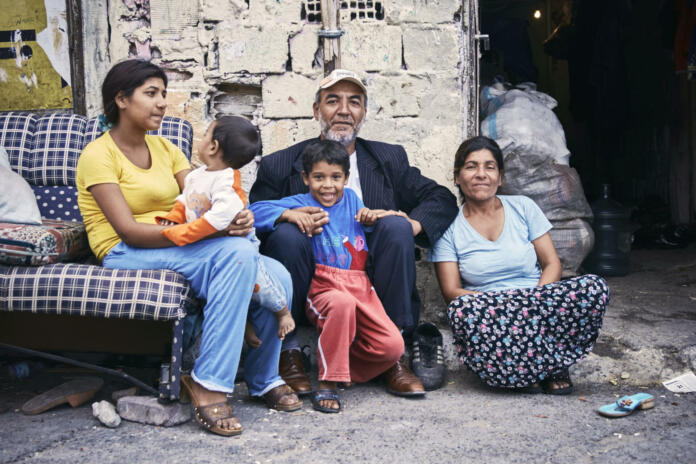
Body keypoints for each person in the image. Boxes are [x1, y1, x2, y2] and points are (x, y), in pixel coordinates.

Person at [75, 59, 301, 437]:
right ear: (121, 99)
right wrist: (209, 233)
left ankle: (263, 378)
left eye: (163, 93)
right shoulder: (98, 156)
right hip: (125, 251)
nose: (162, 102)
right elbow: (128, 231)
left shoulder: (165, 149)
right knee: (239, 255)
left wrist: (238, 217)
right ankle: (208, 381)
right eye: (151, 93)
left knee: (277, 274)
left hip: (178, 240)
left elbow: (209, 192)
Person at [250, 69, 459, 397]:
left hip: (370, 276)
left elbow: (441, 199)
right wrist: (288, 216)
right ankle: (288, 352)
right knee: (286, 233)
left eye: (354, 102)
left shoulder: (388, 158)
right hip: (313, 278)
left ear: (363, 113)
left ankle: (394, 357)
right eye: (333, 101)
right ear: (317, 111)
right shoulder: (282, 163)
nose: (344, 110)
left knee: (394, 227)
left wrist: (411, 223)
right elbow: (254, 221)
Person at [429, 135, 609, 394]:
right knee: (461, 309)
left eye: (489, 167)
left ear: (500, 177)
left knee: (593, 287)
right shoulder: (448, 225)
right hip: (492, 308)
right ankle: (546, 366)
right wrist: (505, 304)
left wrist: (536, 298)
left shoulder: (523, 207)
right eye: (471, 166)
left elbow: (551, 264)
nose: (481, 174)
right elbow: (451, 292)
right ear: (457, 177)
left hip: (537, 297)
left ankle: (530, 367)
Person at [251, 140, 405, 413]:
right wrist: (288, 214)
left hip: (360, 286)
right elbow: (254, 211)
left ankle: (341, 367)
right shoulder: (302, 202)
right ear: (305, 178)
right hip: (325, 286)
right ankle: (328, 382)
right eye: (318, 177)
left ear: (346, 178)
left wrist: (371, 217)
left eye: (336, 177)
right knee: (341, 304)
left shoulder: (353, 199)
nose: (328, 185)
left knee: (392, 347)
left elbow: (363, 227)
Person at [156, 116, 294, 342]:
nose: (200, 140)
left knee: (257, 284)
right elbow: (185, 201)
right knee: (218, 289)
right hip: (207, 244)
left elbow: (219, 219)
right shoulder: (196, 176)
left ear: (213, 146)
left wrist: (183, 233)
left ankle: (282, 310)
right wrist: (173, 218)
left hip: (237, 245)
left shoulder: (227, 181)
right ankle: (244, 324)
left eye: (204, 135)